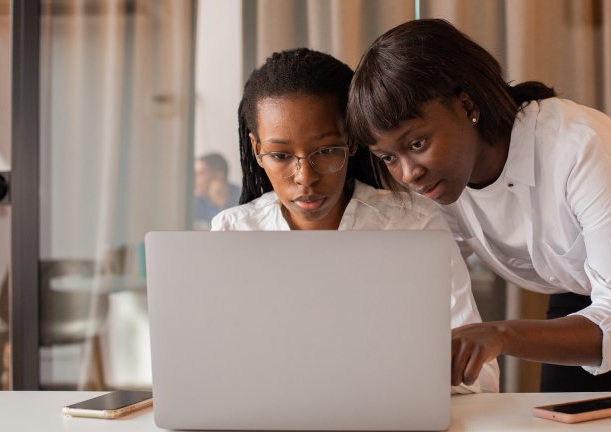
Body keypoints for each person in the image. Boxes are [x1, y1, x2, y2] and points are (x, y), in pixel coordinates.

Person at [346, 19, 611, 392]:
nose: (408, 173)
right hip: (579, 286)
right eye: (387, 157)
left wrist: (500, 334)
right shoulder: (433, 183)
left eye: (416, 143)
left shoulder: (578, 147)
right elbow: (421, 279)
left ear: (466, 105)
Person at [211, 47, 499, 393]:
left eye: (326, 151)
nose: (305, 178)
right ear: (257, 149)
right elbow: (216, 372)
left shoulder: (413, 226)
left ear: (350, 141)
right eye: (281, 155)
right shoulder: (231, 233)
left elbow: (479, 379)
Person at [194, 152, 241, 229]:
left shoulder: (243, 197)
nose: (194, 179)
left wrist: (222, 205)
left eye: (200, 174)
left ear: (218, 176)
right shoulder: (196, 200)